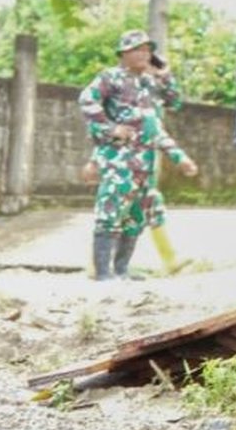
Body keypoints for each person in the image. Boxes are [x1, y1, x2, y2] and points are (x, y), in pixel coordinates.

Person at [78, 30, 198, 280]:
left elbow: (173, 104)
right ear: (123, 53)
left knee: (136, 218)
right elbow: (87, 100)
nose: (144, 54)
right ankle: (103, 274)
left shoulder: (149, 83)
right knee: (110, 213)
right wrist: (111, 129)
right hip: (119, 160)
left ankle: (121, 270)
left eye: (147, 50)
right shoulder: (111, 77)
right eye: (137, 49)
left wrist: (165, 74)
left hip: (145, 163)